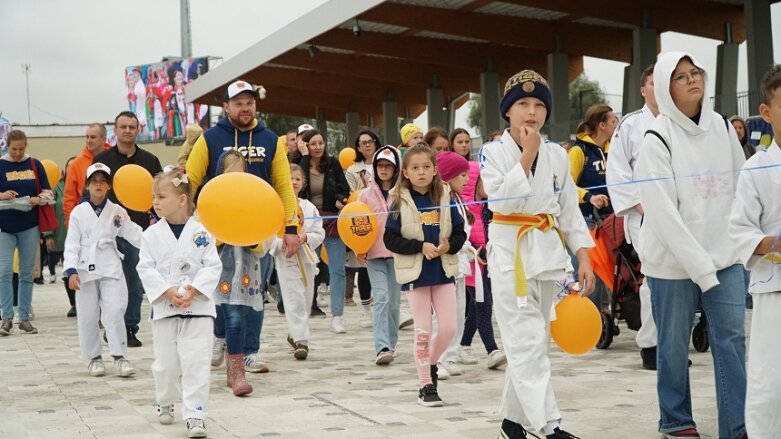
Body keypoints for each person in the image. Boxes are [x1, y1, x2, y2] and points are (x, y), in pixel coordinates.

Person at [635, 52, 747, 439]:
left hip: (725, 256)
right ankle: (677, 420)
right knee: (672, 345)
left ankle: (737, 425)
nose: (692, 80)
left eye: (695, 72)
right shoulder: (656, 138)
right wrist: (699, 266)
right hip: (672, 263)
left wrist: (740, 243)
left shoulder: (720, 126)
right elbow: (664, 214)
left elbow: (740, 183)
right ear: (666, 88)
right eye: (681, 76)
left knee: (731, 341)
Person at [480, 69, 595, 439]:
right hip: (510, 255)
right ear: (508, 112)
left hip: (547, 253)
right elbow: (502, 201)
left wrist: (585, 255)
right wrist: (526, 156)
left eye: (538, 105)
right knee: (526, 342)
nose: (531, 112)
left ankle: (512, 424)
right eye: (522, 104)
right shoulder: (493, 152)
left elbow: (569, 209)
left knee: (533, 341)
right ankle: (550, 426)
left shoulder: (558, 156)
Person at [136, 168, 221, 438]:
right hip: (165, 308)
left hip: (198, 308)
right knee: (166, 364)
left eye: (161, 196)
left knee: (196, 362)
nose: (155, 201)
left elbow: (212, 266)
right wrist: (167, 291)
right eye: (154, 196)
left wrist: (194, 290)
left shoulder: (203, 232)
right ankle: (165, 400)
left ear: (182, 199)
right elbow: (145, 269)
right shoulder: (150, 235)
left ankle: (195, 414)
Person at [384, 143, 467, 407]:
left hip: (443, 272)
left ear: (435, 170)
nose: (421, 172)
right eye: (415, 168)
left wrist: (447, 245)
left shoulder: (445, 195)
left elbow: (459, 232)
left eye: (427, 167)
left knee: (450, 328)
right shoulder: (398, 199)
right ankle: (425, 385)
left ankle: (430, 365)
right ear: (406, 172)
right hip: (416, 275)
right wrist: (420, 247)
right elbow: (390, 239)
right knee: (423, 330)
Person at [729, 63, 781, 439]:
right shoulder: (756, 168)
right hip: (774, 288)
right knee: (770, 381)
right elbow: (740, 233)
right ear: (766, 112)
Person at [605, 63, 661, 370]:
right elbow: (617, 172)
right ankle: (651, 344)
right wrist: (640, 204)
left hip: (680, 214)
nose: (657, 88)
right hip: (645, 216)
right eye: (651, 83)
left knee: (681, 278)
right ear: (642, 89)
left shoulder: (679, 120)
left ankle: (674, 342)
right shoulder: (630, 125)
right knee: (654, 276)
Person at [63, 163, 142, 378]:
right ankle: (94, 358)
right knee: (88, 315)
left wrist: (156, 240)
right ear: (87, 185)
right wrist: (70, 270)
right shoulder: (79, 213)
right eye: (94, 181)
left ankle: (120, 356)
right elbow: (72, 243)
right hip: (85, 267)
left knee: (115, 310)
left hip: (110, 263)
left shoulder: (117, 211)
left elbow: (133, 233)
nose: (98, 185)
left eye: (103, 181)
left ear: (109, 186)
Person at [93, 111, 163, 347]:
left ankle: (129, 327)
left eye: (132, 127)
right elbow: (93, 193)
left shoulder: (150, 161)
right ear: (115, 130)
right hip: (107, 232)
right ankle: (111, 326)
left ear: (137, 129)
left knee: (134, 283)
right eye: (123, 126)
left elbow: (159, 194)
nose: (127, 131)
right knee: (110, 283)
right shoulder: (102, 161)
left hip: (137, 232)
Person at [212, 150, 269, 393]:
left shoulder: (255, 204)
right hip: (221, 275)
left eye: (240, 173)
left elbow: (264, 244)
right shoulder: (210, 205)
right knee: (232, 318)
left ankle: (231, 363)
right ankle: (237, 375)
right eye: (229, 173)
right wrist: (222, 235)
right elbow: (199, 240)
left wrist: (250, 239)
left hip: (247, 274)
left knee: (241, 319)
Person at [0, 129, 53, 336]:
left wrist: (38, 198)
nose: (17, 153)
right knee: (4, 272)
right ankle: (6, 316)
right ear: (7, 145)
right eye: (14, 149)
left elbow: (48, 191)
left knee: (26, 273)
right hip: (4, 226)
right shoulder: (1, 164)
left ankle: (24, 317)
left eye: (21, 149)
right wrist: (2, 195)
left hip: (29, 225)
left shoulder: (34, 164)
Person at [298, 128, 351, 333]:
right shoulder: (299, 163)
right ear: (307, 146)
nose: (318, 147)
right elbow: (297, 186)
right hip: (308, 221)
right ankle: (304, 311)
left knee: (338, 268)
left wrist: (341, 199)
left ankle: (337, 316)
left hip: (331, 220)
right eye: (313, 144)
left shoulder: (333, 163)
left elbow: (344, 188)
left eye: (321, 143)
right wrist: (303, 157)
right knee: (308, 268)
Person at [272, 163, 324, 361]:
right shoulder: (275, 205)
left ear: (303, 183)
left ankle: (294, 333)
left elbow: (319, 231)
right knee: (294, 298)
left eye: (297, 179)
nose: (293, 182)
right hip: (286, 258)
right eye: (290, 179)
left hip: (307, 258)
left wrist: (304, 238)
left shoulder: (308, 207)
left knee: (306, 297)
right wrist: (281, 243)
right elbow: (269, 234)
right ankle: (302, 341)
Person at [358, 145, 402, 365]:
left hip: (397, 255)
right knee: (381, 299)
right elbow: (357, 223)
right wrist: (359, 247)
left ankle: (391, 344)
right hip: (374, 255)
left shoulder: (403, 193)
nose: (384, 170)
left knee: (394, 302)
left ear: (396, 169)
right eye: (380, 166)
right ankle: (382, 346)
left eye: (388, 166)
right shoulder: (365, 195)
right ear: (374, 168)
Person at [434, 151, 473, 380]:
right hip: (444, 262)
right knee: (441, 314)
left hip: (460, 262)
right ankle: (436, 358)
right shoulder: (441, 198)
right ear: (448, 176)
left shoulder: (457, 198)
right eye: (462, 175)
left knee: (459, 311)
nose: (467, 180)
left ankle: (450, 354)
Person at [345, 130, 380, 326]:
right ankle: (365, 309)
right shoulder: (352, 171)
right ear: (357, 147)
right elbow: (353, 194)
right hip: (362, 218)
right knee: (364, 264)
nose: (367, 145)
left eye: (370, 141)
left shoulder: (385, 164)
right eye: (362, 143)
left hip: (383, 218)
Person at [44, 156, 77, 317]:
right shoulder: (56, 189)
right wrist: (48, 235)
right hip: (63, 235)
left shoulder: (85, 187)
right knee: (68, 270)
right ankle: (74, 304)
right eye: (70, 167)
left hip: (84, 237)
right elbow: (50, 212)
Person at [64, 123, 109, 227]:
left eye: (93, 137)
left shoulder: (114, 159)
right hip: (85, 220)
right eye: (87, 137)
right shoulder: (76, 164)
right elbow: (69, 197)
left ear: (104, 139)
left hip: (110, 218)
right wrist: (70, 221)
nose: (89, 140)